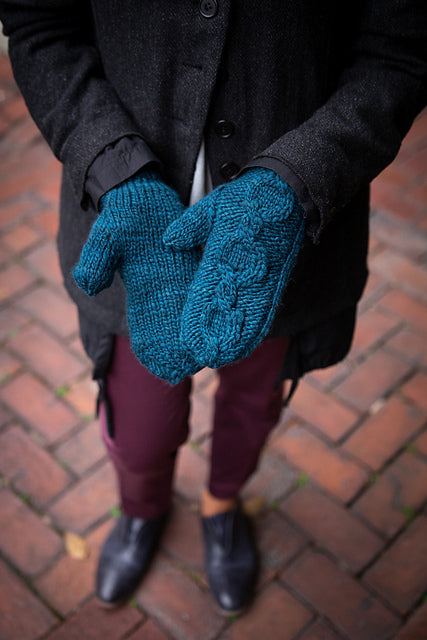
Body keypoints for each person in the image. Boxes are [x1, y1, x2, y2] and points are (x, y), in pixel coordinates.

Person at [1, 0, 426, 616]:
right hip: (135, 235)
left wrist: (294, 180)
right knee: (140, 427)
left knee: (253, 404)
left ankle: (222, 504)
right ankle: (142, 508)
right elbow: (41, 25)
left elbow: (399, 50)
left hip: (279, 237)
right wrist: (115, 168)